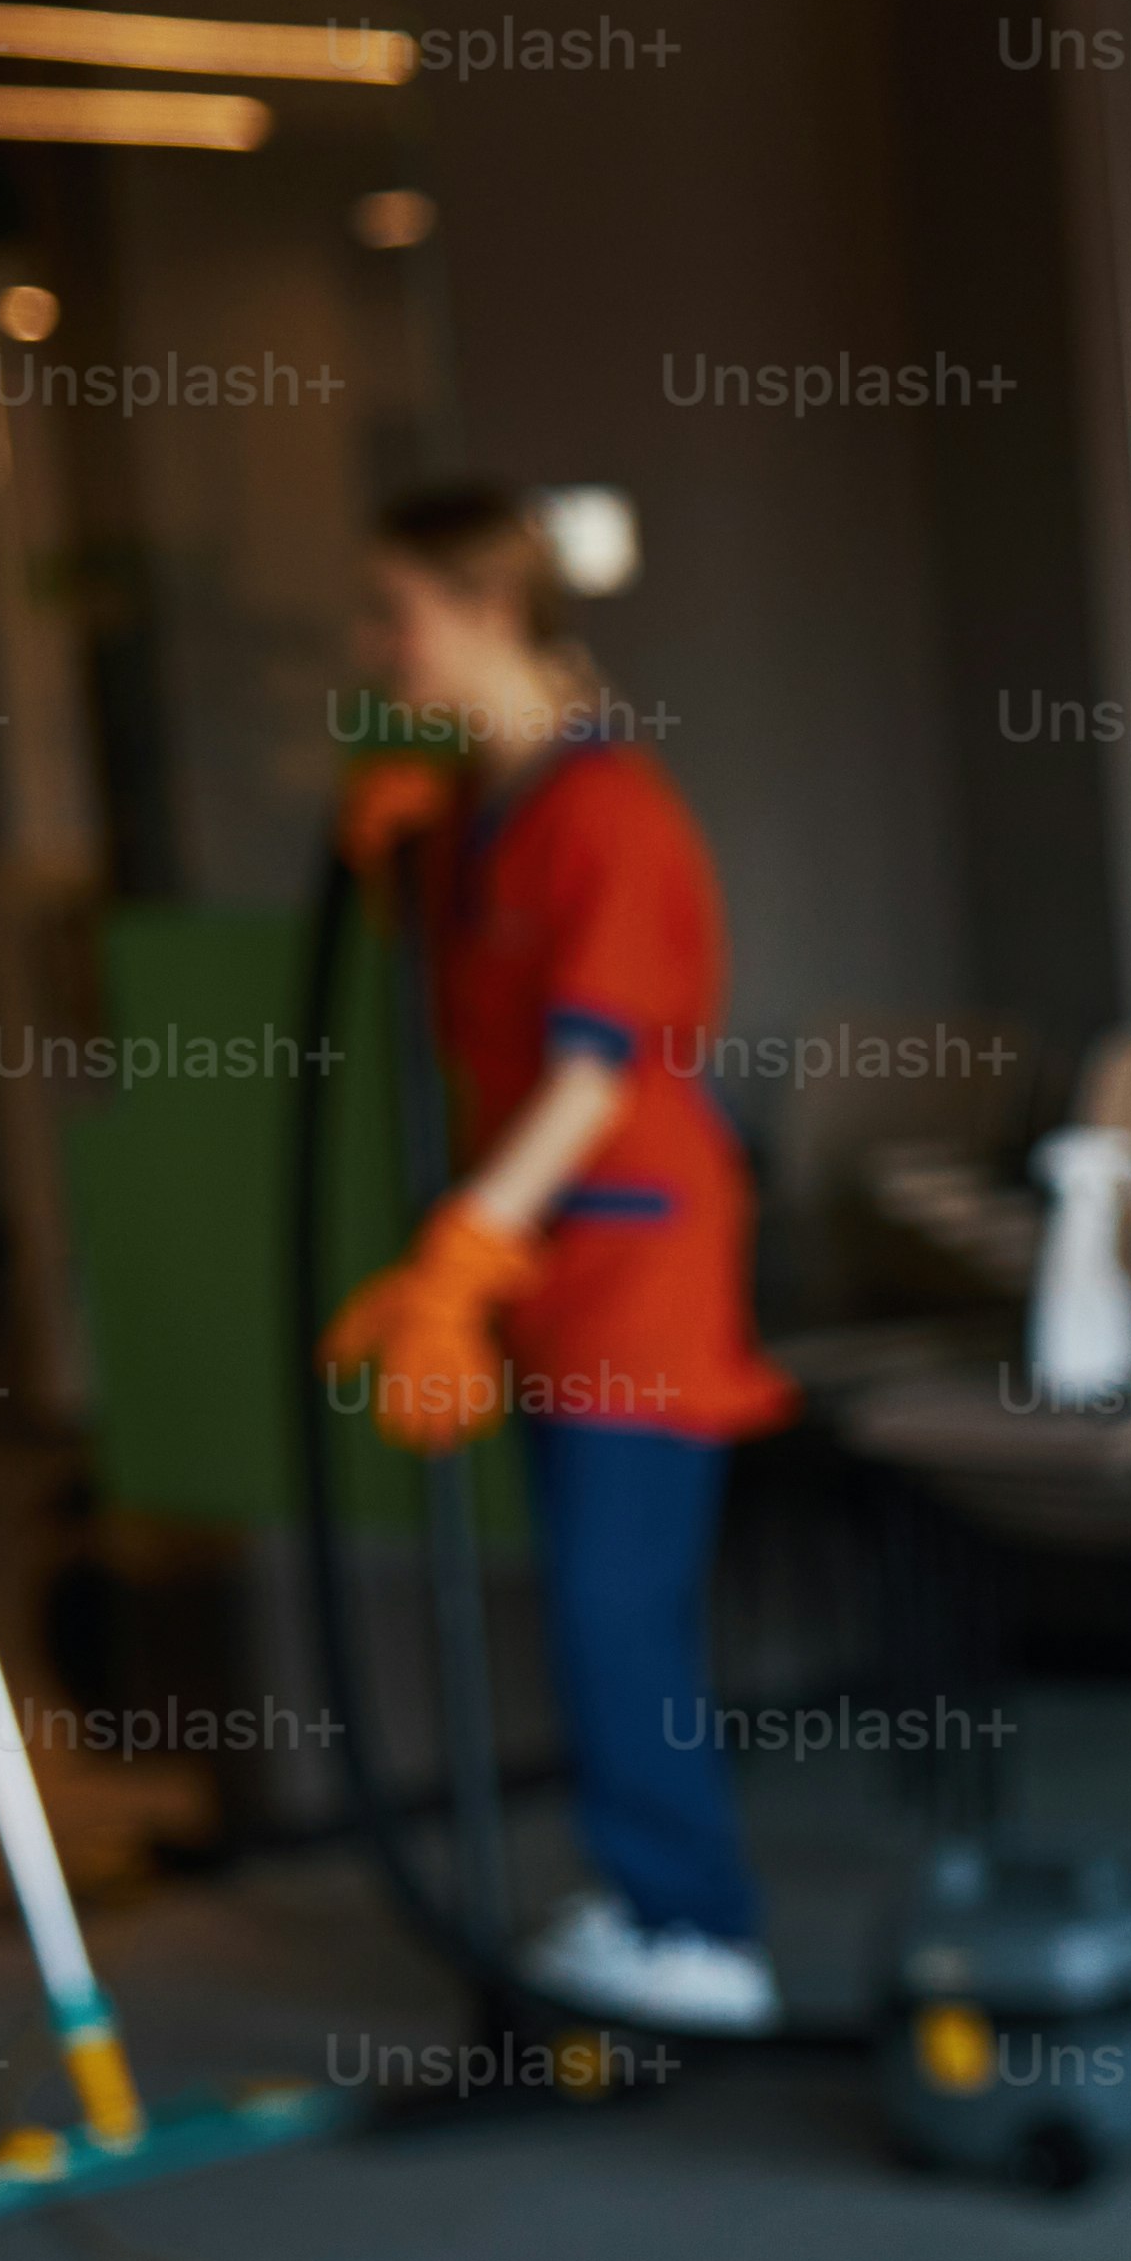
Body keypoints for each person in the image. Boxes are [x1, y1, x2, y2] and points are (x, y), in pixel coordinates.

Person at [316, 481, 793, 2035]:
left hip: (629, 1270)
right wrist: (404, 866)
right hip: (552, 1271)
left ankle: (695, 1931)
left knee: (611, 1607)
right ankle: (652, 1896)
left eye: (396, 611)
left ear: (488, 613)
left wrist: (465, 1245)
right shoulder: (485, 807)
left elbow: (593, 1074)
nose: (372, 643)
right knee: (591, 1603)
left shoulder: (606, 817)